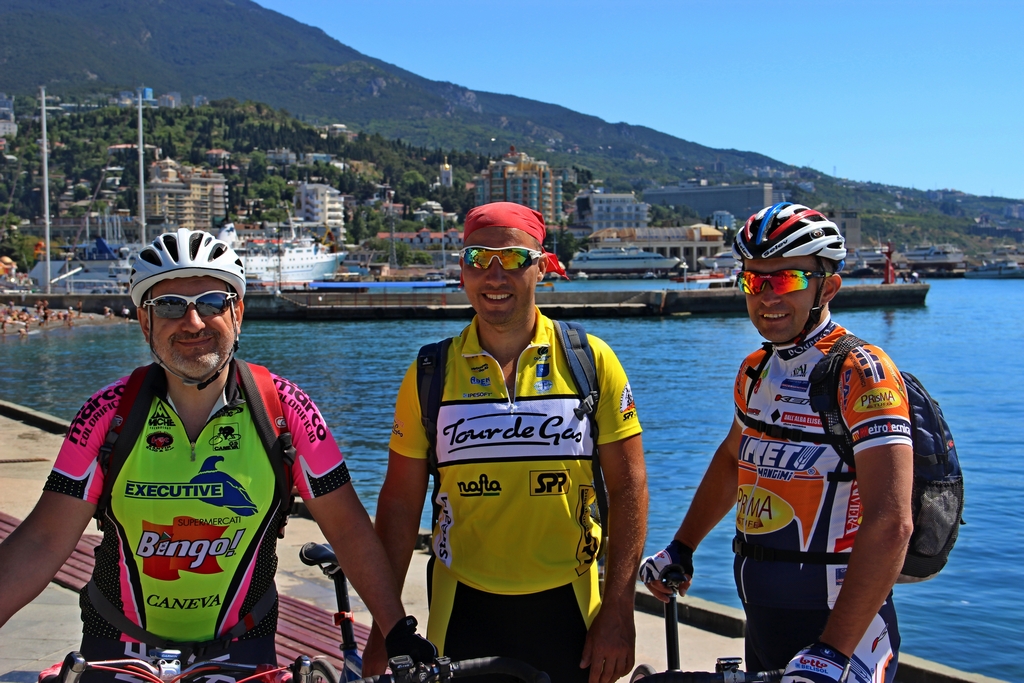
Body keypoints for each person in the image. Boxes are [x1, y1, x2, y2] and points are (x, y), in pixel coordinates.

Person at [0, 229, 434, 675]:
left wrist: (396, 630)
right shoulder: (108, 413)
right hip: (116, 645)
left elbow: (348, 528)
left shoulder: (285, 409)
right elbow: (42, 540)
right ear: (145, 321)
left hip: (241, 647)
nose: (193, 322)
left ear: (237, 312)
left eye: (211, 303)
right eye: (170, 306)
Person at [366, 203, 648, 683]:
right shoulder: (430, 372)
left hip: (571, 602)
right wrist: (384, 627)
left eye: (514, 259)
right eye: (478, 258)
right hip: (462, 605)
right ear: (462, 271)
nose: (494, 275)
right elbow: (399, 505)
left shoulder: (591, 361)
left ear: (542, 267)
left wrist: (619, 607)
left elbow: (629, 487)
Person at [640, 203, 913, 683]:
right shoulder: (757, 369)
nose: (767, 296)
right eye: (753, 280)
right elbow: (733, 459)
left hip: (842, 635)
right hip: (763, 622)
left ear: (828, 287)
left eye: (786, 280)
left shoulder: (861, 373)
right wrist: (682, 546)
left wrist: (833, 650)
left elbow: (892, 523)